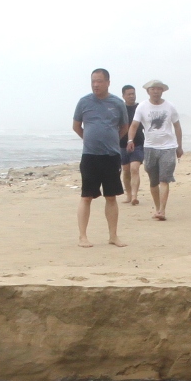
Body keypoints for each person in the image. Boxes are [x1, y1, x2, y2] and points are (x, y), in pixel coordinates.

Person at [72, 68, 129, 247]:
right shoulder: (84, 102)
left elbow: (124, 127)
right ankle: (83, 237)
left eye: (99, 81)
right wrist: (89, 140)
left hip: (111, 156)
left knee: (111, 196)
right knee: (86, 196)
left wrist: (110, 140)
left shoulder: (117, 103)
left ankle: (113, 236)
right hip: (90, 156)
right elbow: (76, 126)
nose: (96, 84)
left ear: (108, 82)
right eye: (93, 81)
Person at [126, 80, 183, 221]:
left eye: (158, 89)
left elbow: (177, 127)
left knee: (164, 179)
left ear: (162, 91)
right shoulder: (142, 107)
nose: (156, 91)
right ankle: (157, 208)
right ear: (148, 91)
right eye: (153, 89)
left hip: (168, 147)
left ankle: (162, 210)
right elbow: (134, 125)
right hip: (150, 147)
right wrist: (130, 140)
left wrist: (179, 146)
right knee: (153, 181)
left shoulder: (170, 106)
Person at [118, 85, 144, 206]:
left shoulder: (140, 108)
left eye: (133, 93)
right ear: (123, 96)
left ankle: (134, 196)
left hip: (138, 143)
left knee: (134, 168)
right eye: (129, 94)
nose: (132, 96)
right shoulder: (120, 109)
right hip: (122, 144)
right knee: (126, 170)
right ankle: (128, 195)